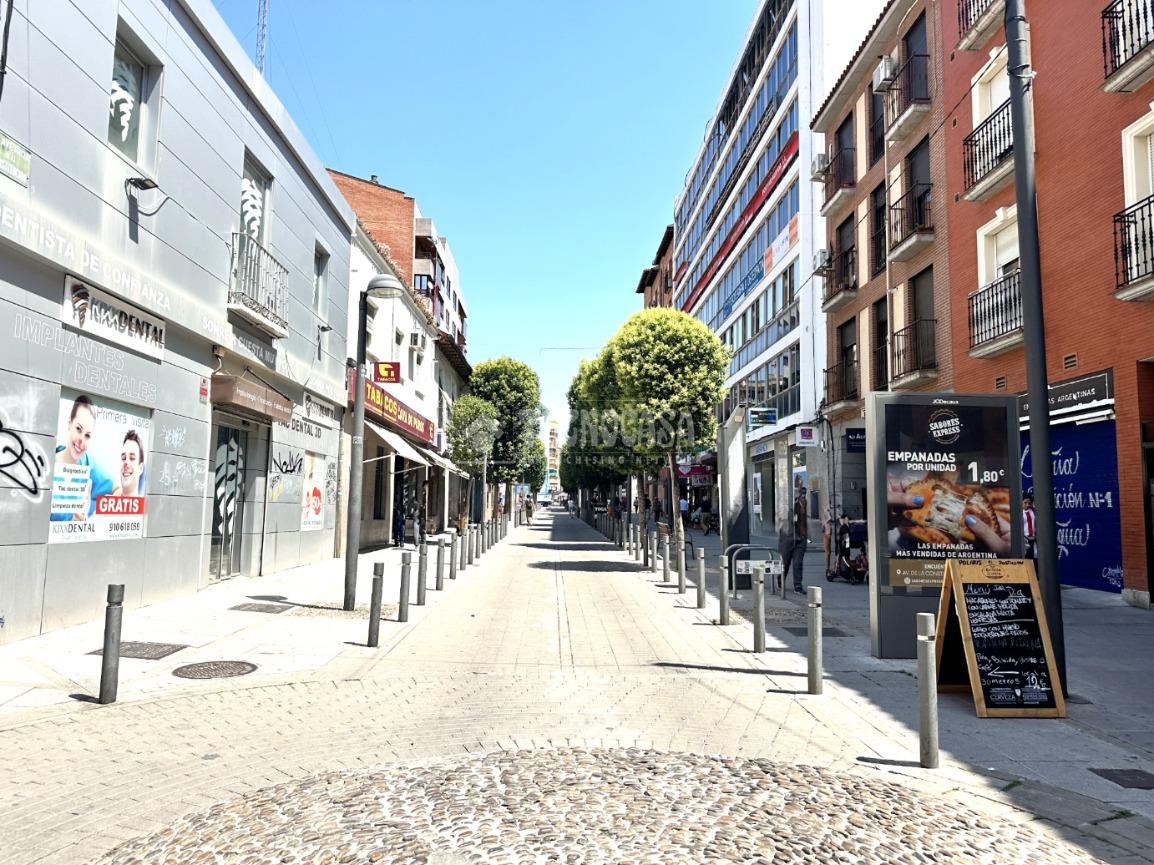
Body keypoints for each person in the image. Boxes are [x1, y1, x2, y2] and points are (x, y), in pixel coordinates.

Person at [51, 395, 113, 521]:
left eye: (87, 435)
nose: (81, 440)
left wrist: (94, 520)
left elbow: (117, 489)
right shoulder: (49, 465)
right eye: (78, 429)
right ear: (69, 423)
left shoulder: (88, 463)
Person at [779, 486, 809, 593]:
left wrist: (805, 536)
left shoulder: (804, 505)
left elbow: (805, 521)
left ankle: (798, 585)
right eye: (802, 494)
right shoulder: (789, 506)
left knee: (798, 563)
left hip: (801, 538)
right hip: (788, 537)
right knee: (785, 562)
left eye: (804, 494)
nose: (803, 496)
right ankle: (780, 579)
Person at [112, 429, 145, 497]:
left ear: (141, 468)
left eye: (132, 458)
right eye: (123, 458)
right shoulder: (106, 502)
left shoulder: (149, 504)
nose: (126, 463)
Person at [1022, 493, 1036, 559]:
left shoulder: (1033, 510)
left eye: (1029, 503)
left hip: (1033, 538)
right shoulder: (1019, 512)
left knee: (1033, 557)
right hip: (1024, 538)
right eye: (1025, 503)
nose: (1027, 505)